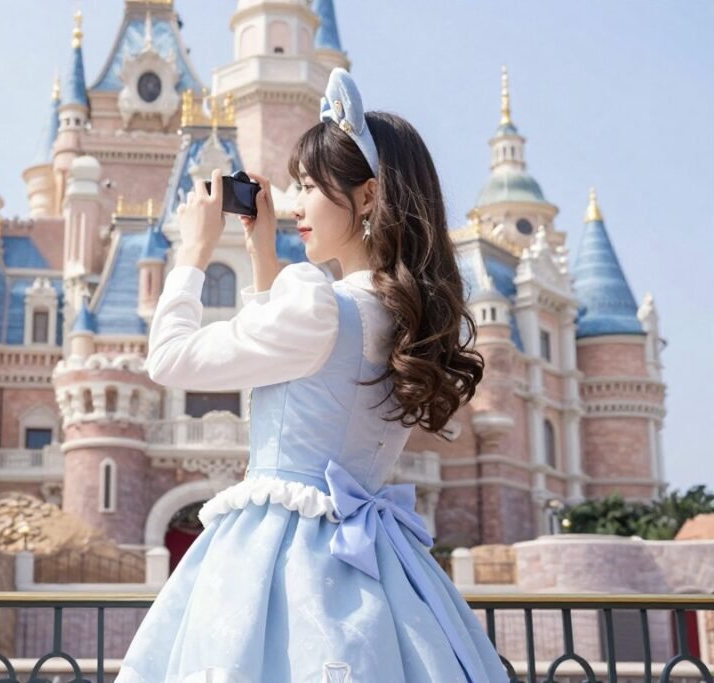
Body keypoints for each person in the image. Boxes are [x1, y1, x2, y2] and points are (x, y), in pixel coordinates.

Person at [114, 68, 510, 683]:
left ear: (370, 197)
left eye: (309, 185)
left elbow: (168, 359)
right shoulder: (398, 314)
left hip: (280, 558)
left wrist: (193, 253)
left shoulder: (317, 304)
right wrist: (261, 255)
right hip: (381, 567)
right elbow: (312, 369)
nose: (295, 203)